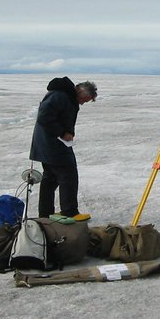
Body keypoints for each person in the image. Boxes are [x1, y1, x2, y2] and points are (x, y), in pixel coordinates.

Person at [29, 77, 97, 220]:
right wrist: (62, 133)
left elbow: (61, 118)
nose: (83, 103)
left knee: (50, 178)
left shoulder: (65, 96)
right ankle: (70, 211)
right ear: (79, 90)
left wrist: (68, 132)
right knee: (69, 175)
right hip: (52, 144)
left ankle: (45, 214)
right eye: (85, 99)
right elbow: (44, 116)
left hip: (48, 145)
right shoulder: (60, 96)